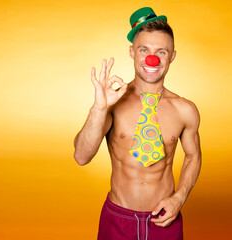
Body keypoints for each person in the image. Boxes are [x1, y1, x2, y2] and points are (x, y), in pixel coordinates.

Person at [73, 7, 202, 240]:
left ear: (172, 56)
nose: (152, 58)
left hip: (165, 220)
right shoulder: (112, 102)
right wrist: (99, 109)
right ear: (132, 52)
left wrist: (178, 198)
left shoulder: (186, 110)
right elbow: (81, 156)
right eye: (145, 50)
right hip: (118, 220)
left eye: (161, 51)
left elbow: (193, 156)